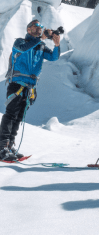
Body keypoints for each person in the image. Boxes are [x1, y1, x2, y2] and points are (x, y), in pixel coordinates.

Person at [0, 20, 61, 161]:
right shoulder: (20, 43)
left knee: (19, 116)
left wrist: (57, 44)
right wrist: (42, 39)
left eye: (39, 29)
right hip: (17, 85)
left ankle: (9, 146)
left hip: (30, 88)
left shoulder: (41, 46)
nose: (37, 31)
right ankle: (2, 147)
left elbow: (54, 57)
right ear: (28, 30)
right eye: (34, 29)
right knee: (10, 115)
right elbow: (24, 49)